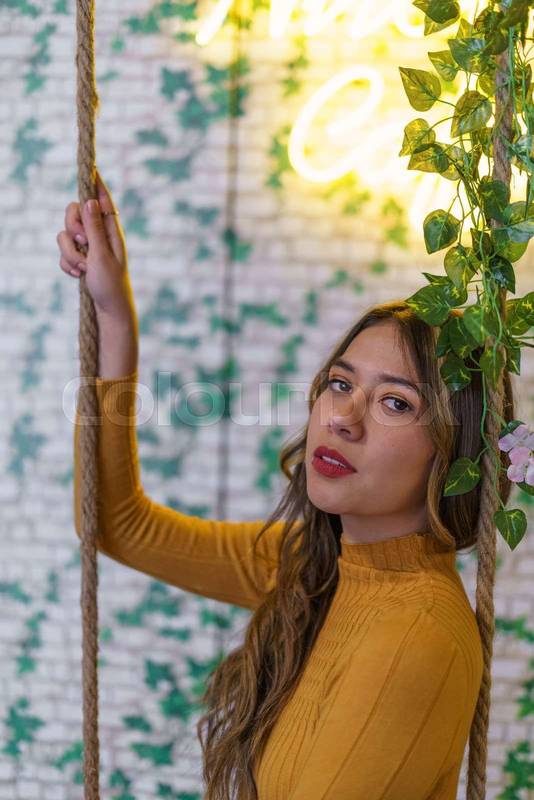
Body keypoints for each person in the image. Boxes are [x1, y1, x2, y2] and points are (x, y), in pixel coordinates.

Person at [57, 170, 515, 800]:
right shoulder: (311, 565)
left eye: (397, 404)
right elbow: (112, 522)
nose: (343, 418)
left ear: (454, 452)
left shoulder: (419, 635)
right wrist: (116, 319)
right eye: (341, 383)